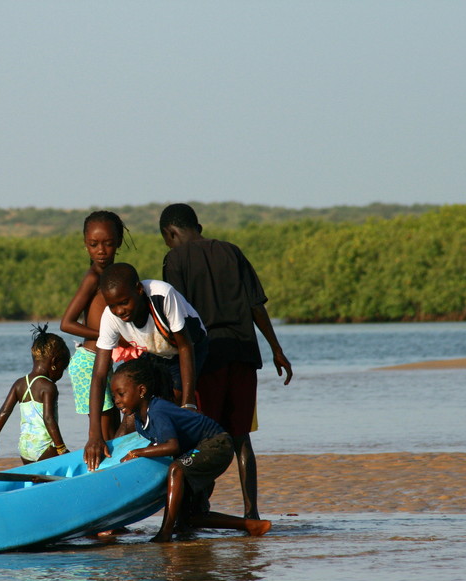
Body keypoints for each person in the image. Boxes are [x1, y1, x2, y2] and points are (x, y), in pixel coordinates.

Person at [160, 203, 293, 521]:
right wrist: (276, 348)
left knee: (201, 437)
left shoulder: (175, 260)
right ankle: (252, 513)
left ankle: (195, 508)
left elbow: (175, 320)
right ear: (199, 227)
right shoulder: (233, 252)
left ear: (171, 234)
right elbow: (256, 306)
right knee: (240, 437)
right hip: (245, 356)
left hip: (206, 360)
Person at [111, 358, 271, 541]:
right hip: (197, 450)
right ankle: (252, 525)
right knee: (191, 517)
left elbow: (172, 446)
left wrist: (136, 453)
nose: (116, 400)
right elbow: (157, 444)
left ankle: (165, 532)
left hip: (215, 444)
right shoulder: (140, 421)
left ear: (141, 390)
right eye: (114, 395)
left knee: (176, 469)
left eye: (121, 394)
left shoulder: (157, 411)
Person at [82, 262, 208, 471]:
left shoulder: (162, 296)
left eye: (124, 302)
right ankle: (113, 468)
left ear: (139, 290)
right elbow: (99, 375)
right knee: (132, 412)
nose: (119, 311)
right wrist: (94, 435)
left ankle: (170, 457)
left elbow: (186, 347)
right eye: (113, 305)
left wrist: (188, 404)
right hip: (156, 353)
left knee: (166, 407)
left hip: (188, 348)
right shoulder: (110, 316)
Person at [59, 210, 129, 441]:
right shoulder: (93, 277)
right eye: (94, 244)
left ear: (118, 242)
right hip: (89, 362)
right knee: (104, 433)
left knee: (115, 427)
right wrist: (106, 336)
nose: (101, 251)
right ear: (85, 245)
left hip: (103, 361)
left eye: (108, 244)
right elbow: (67, 323)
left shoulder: (114, 276)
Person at [0, 324, 72, 464]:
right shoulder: (49, 387)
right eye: (63, 368)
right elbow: (48, 418)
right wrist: (61, 448)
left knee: (37, 480)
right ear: (55, 363)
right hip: (44, 448)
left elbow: (4, 411)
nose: (61, 374)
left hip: (25, 448)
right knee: (56, 478)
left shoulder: (19, 384)